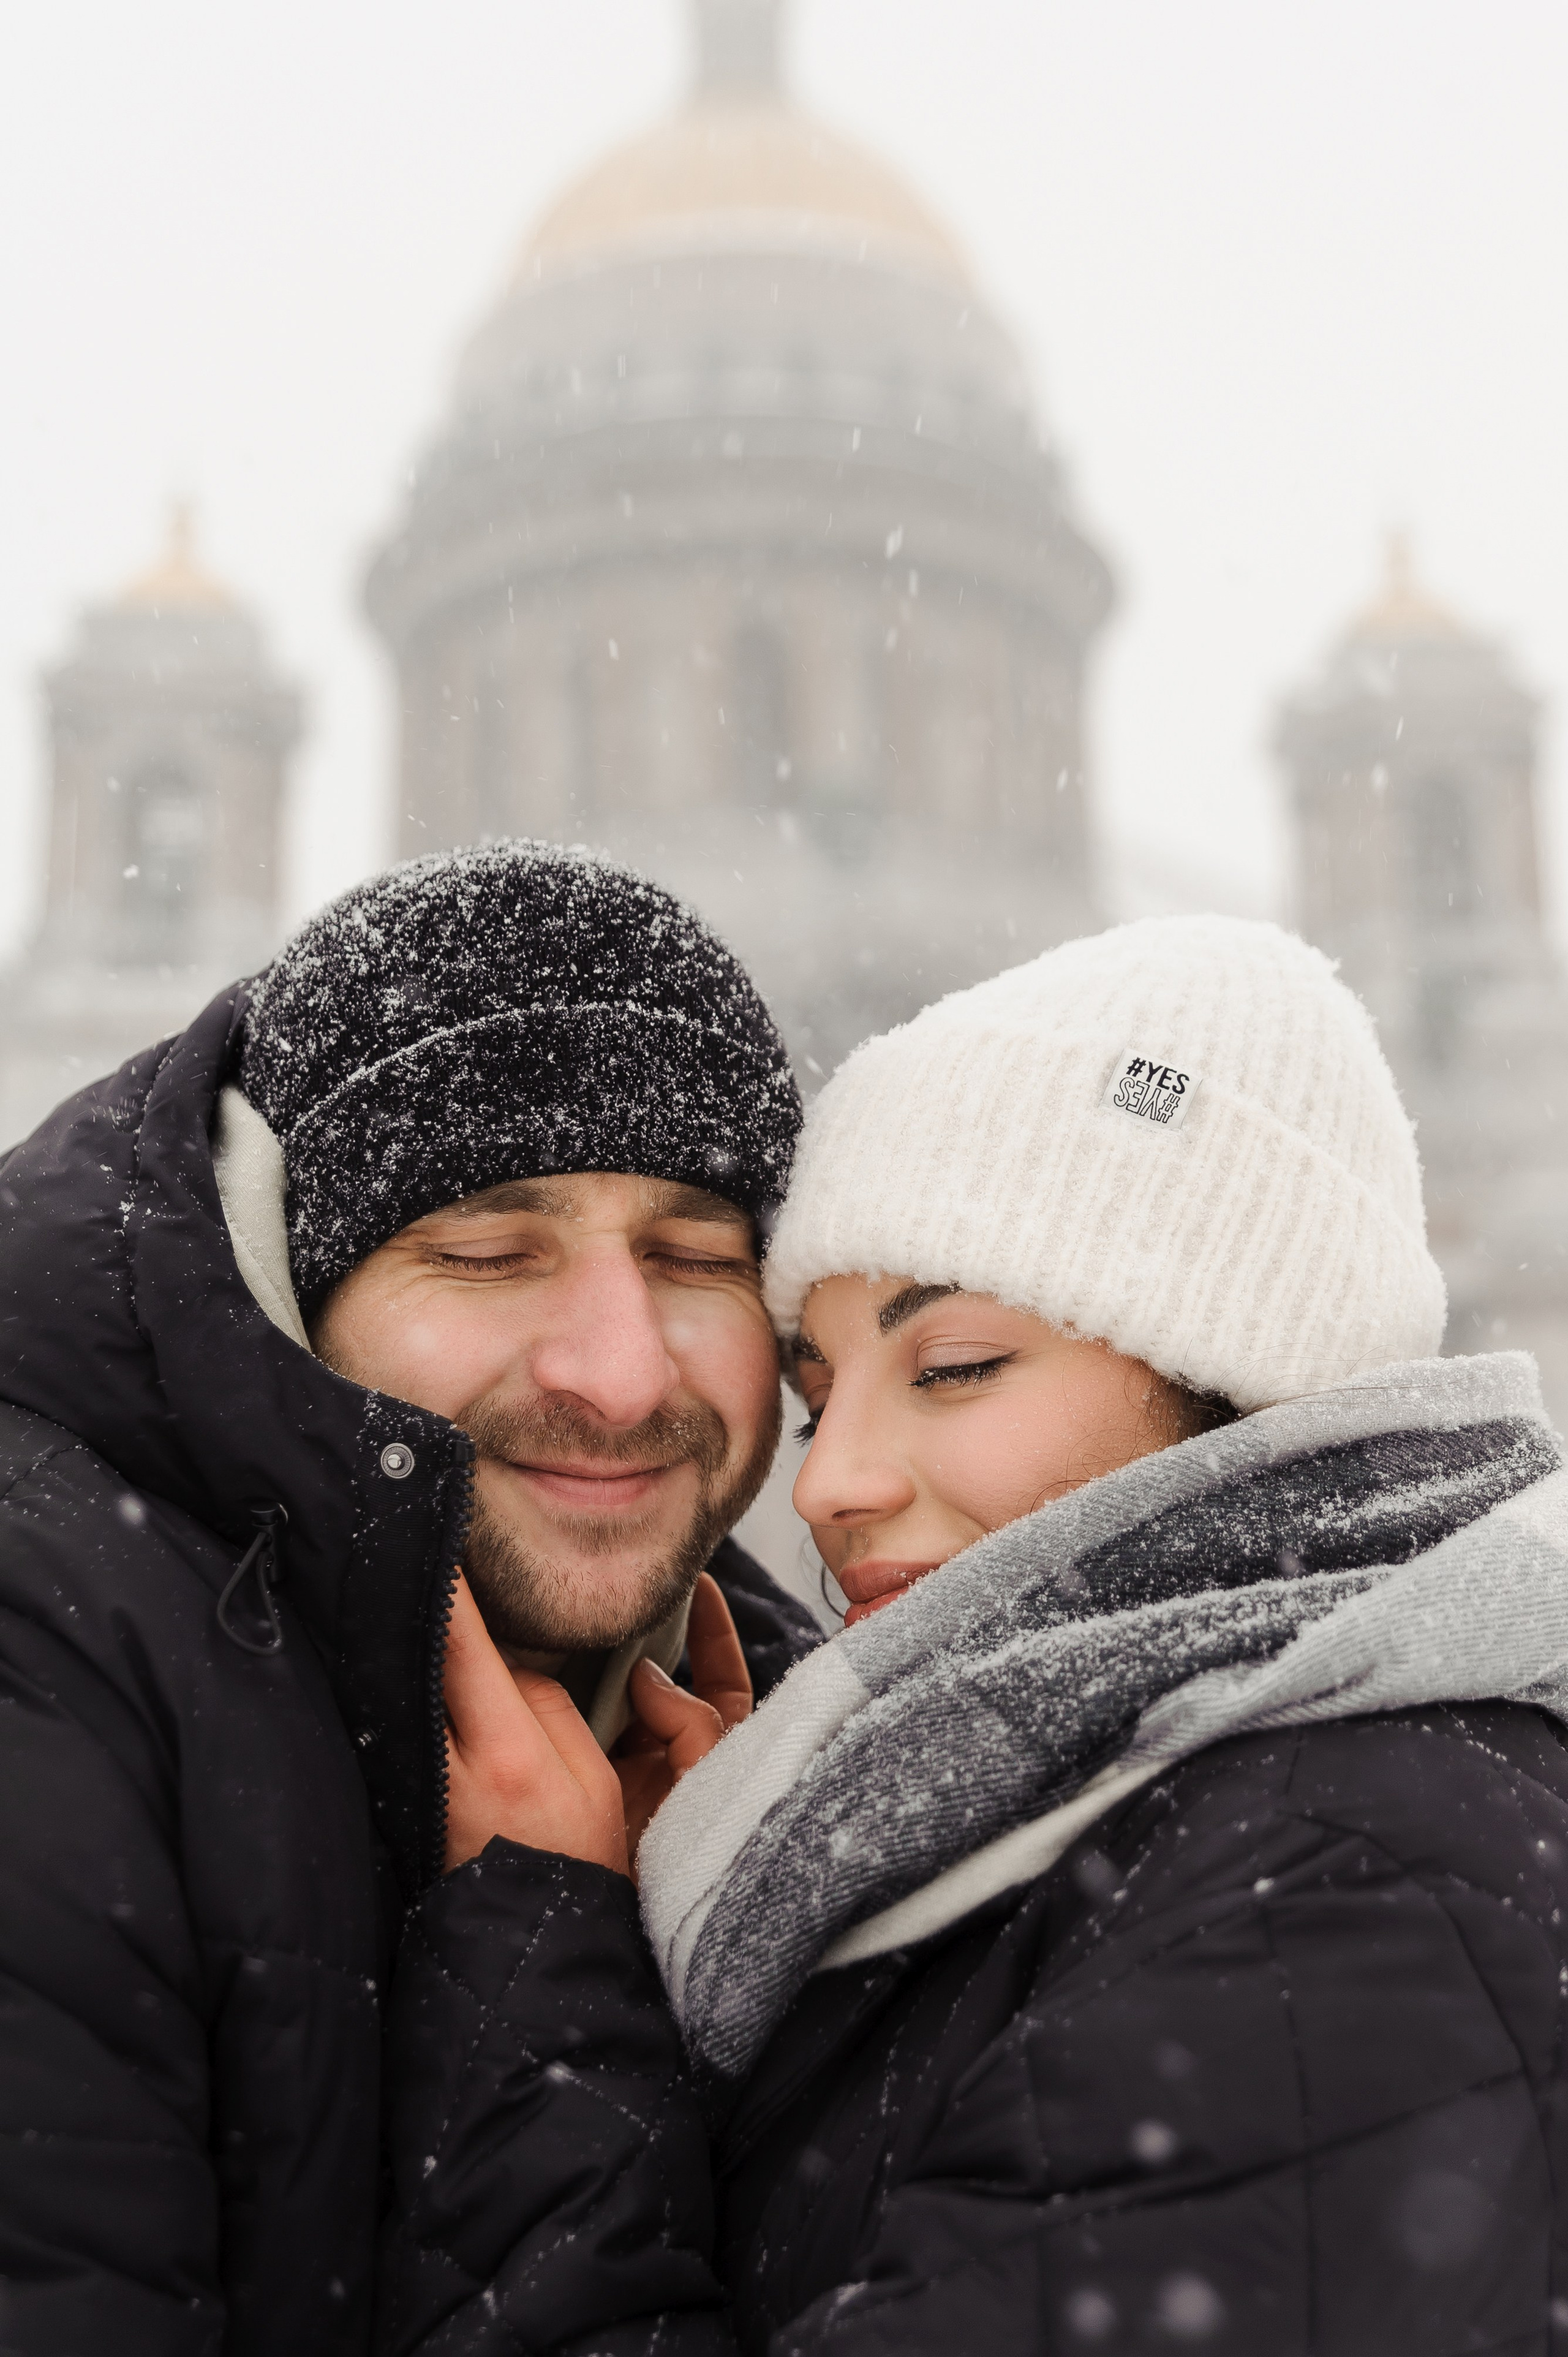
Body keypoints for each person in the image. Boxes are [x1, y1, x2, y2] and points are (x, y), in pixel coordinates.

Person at [386, 915, 1568, 2353]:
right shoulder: (1139, 1828)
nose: (824, 1485)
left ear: (1236, 1376)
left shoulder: (1343, 1881)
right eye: (816, 1403)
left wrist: (542, 2003)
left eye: (951, 1366)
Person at [0, 840, 821, 2356]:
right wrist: (543, 1963)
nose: (620, 1371)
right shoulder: (46, 1662)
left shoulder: (796, 1720)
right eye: (489, 1254)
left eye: (697, 1257)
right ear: (287, 1286)